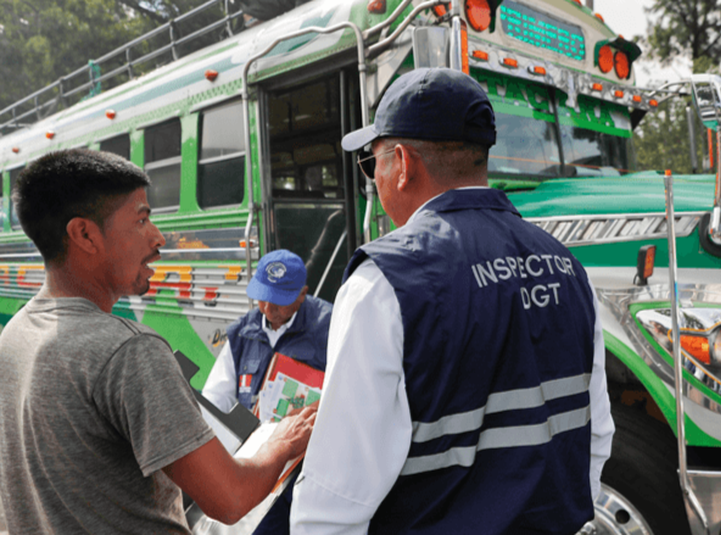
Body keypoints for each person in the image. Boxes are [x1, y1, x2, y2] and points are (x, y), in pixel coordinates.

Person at [290, 68, 615, 534]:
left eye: (371, 162)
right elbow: (595, 436)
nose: (373, 178)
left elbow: (334, 500)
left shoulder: (383, 283)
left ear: (402, 163)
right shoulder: (567, 267)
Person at [0, 149, 317, 534]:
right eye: (142, 219)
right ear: (84, 234)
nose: (159, 237)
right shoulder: (129, 351)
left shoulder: (15, 335)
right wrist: (281, 442)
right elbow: (230, 498)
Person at [202, 248, 332, 534]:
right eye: (262, 296)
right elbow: (216, 398)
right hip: (257, 460)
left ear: (302, 293)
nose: (267, 308)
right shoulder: (242, 332)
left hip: (309, 464)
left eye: (279, 300)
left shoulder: (329, 326)